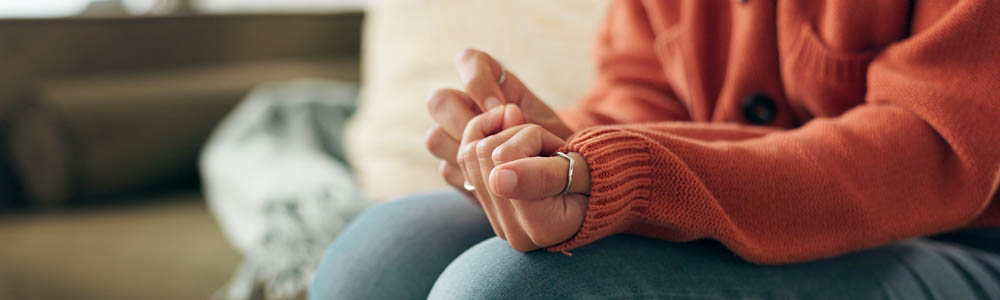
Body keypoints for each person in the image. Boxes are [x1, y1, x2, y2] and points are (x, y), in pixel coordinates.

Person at [310, 0, 1000, 299]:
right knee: (382, 251)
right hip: (745, 219)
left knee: (501, 292)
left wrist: (631, 175)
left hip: (964, 249)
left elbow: (927, 149)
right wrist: (554, 151)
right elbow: (640, 103)